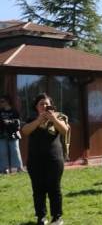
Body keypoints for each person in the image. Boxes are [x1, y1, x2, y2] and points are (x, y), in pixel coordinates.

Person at [21, 93, 69, 225]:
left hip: (54, 160)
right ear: (36, 107)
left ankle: (57, 217)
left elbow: (64, 131)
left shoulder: (59, 117)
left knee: (54, 188)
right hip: (35, 161)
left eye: (47, 103)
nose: (45, 106)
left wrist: (53, 119)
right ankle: (41, 217)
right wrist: (38, 121)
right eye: (41, 104)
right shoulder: (31, 118)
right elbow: (25, 131)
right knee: (38, 190)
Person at [0, 94, 23, 174]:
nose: (1, 103)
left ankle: (19, 168)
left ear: (7, 102)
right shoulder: (0, 111)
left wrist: (9, 122)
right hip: (2, 134)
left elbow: (18, 122)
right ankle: (4, 169)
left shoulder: (14, 111)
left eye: (2, 101)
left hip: (13, 134)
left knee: (15, 150)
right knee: (2, 152)